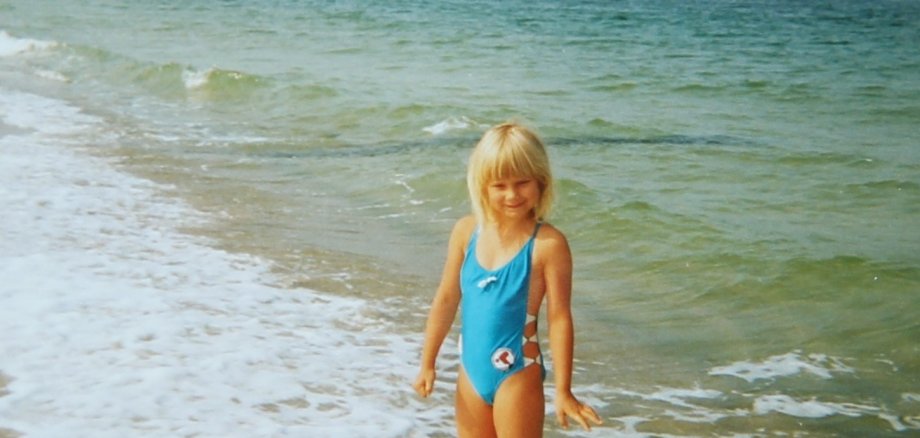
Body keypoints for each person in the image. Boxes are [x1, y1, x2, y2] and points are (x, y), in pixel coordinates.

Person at [413, 122, 603, 437]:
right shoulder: (465, 233)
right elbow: (447, 298)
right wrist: (427, 362)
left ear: (541, 182)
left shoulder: (548, 245)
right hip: (470, 373)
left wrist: (563, 390)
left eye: (522, 182)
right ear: (482, 186)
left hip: (517, 374)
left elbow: (559, 318)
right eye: (499, 185)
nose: (512, 194)